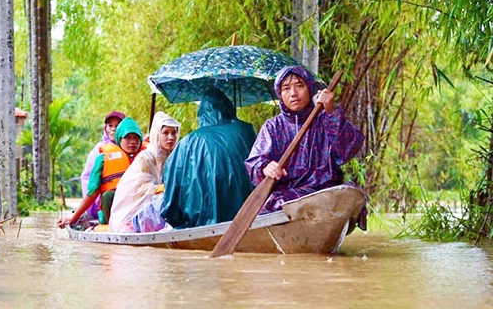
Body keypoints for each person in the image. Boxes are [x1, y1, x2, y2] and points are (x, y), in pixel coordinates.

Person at [245, 65, 365, 214]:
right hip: (288, 197)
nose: (293, 93)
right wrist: (265, 167)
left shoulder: (326, 119)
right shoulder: (273, 127)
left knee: (349, 193)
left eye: (299, 86)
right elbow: (254, 162)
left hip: (324, 191)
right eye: (286, 88)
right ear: (280, 94)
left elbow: (349, 148)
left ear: (310, 88)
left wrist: (331, 112)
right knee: (274, 204)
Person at [161, 88, 257, 229]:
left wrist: (178, 221)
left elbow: (171, 197)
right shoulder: (246, 131)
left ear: (200, 113)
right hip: (250, 219)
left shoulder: (188, 142)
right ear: (228, 108)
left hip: (200, 224)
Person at [58, 117, 145, 229]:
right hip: (114, 211)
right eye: (127, 138)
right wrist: (74, 217)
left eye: (136, 138)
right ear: (119, 139)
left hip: (140, 208)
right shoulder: (103, 159)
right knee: (108, 195)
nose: (133, 142)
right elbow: (92, 193)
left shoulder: (147, 157)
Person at [108, 111, 180, 233]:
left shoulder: (174, 157)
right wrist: (162, 188)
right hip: (135, 213)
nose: (171, 137)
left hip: (157, 210)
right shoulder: (145, 158)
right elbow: (139, 190)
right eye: (166, 133)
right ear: (157, 135)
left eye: (174, 133)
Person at [80, 111, 125, 219]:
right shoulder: (99, 151)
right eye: (110, 125)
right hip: (102, 201)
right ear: (106, 128)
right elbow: (87, 180)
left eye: (117, 125)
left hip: (125, 200)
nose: (113, 129)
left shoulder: (131, 145)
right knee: (108, 196)